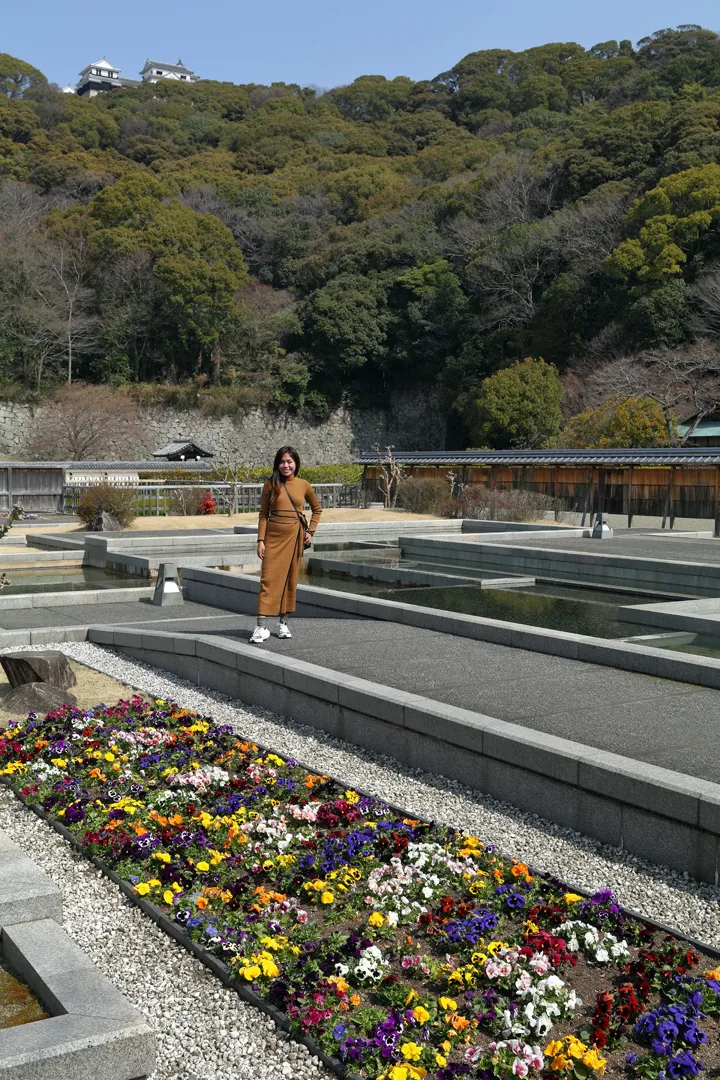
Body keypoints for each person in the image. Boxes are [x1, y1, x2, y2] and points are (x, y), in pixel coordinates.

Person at [250, 446, 322, 644]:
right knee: (268, 580)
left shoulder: (304, 484)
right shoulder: (270, 484)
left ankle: (283, 623)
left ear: (296, 463)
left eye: (289, 461)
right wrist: (261, 540)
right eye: (282, 461)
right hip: (273, 537)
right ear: (277, 464)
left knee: (290, 580)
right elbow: (263, 515)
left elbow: (317, 509)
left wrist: (311, 531)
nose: (286, 465)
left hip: (295, 537)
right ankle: (261, 626)